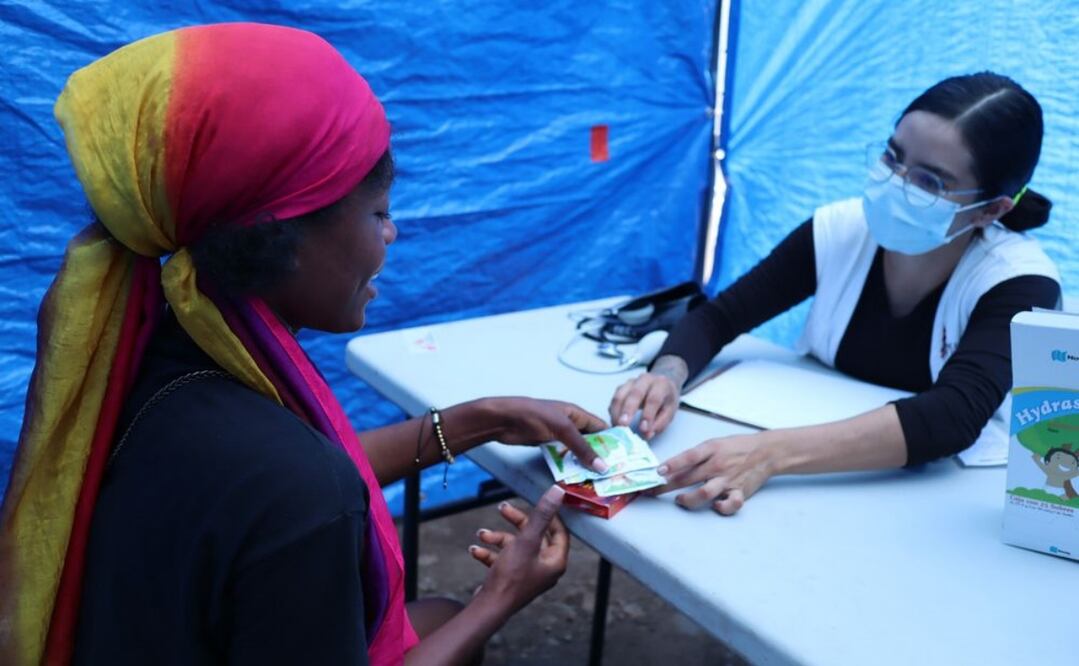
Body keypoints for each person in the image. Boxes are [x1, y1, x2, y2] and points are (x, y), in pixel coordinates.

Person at [0, 23, 612, 665]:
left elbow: (285, 483)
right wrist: (502, 596)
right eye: (378, 212)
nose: (391, 234)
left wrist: (479, 420)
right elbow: (300, 489)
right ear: (282, 238)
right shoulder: (299, 487)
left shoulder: (145, 355)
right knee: (460, 624)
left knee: (440, 617)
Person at [609, 72, 1061, 516]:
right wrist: (667, 375)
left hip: (928, 509)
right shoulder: (839, 230)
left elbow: (952, 417)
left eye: (930, 182)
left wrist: (769, 454)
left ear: (991, 210)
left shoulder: (1019, 282)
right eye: (892, 157)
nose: (895, 183)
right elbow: (720, 317)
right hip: (808, 492)